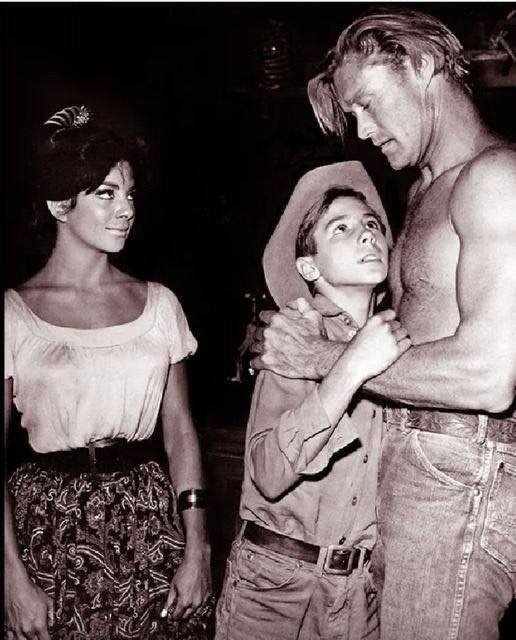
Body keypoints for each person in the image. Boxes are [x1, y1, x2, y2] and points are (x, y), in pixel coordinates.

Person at [251, 8, 516, 640]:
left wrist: (323, 359)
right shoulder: (427, 188)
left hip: (461, 475)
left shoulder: (496, 178)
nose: (364, 132)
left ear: (421, 65)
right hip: (420, 470)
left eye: (367, 105)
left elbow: (489, 376)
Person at [4, 105, 213, 640]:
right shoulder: (13, 313)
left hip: (148, 519)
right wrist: (12, 578)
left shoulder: (159, 304)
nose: (126, 210)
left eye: (130, 194)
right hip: (47, 527)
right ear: (59, 204)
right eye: (106, 193)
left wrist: (198, 547)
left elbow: (181, 432)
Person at [215, 161, 411, 640]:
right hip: (274, 585)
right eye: (340, 228)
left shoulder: (403, 348)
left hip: (361, 591)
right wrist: (348, 366)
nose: (366, 234)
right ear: (309, 266)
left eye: (372, 225)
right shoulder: (296, 337)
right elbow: (268, 472)